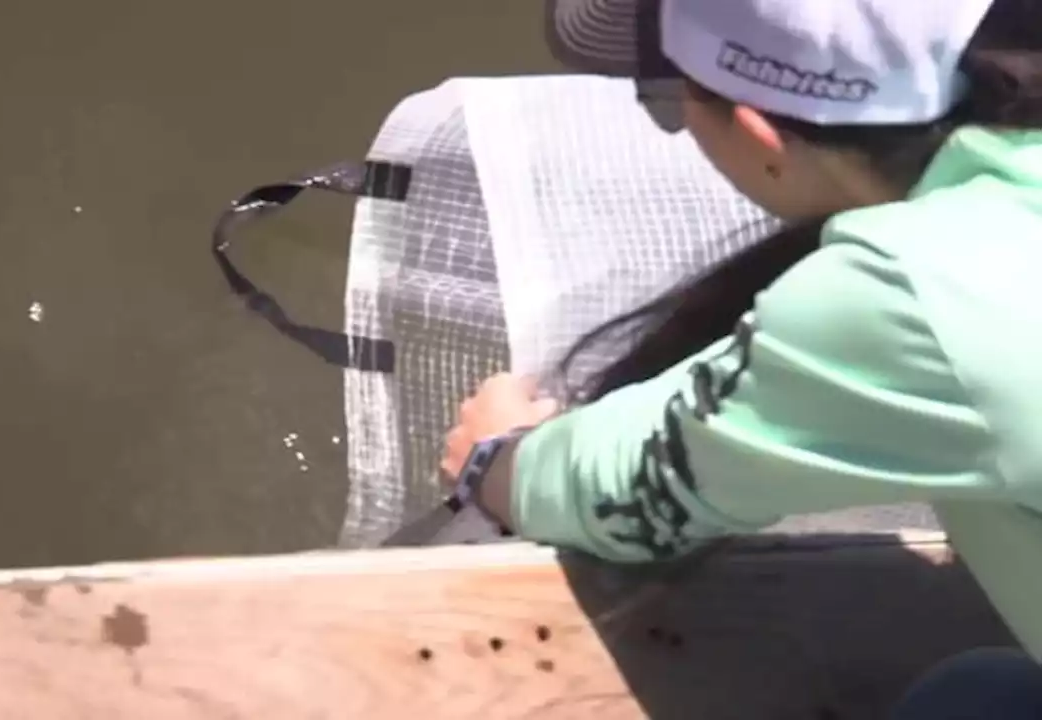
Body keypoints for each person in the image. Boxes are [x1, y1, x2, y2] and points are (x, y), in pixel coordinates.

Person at [438, 0, 1043, 716]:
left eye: (669, 101)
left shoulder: (915, 288)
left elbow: (625, 492)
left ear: (761, 133)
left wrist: (497, 455)